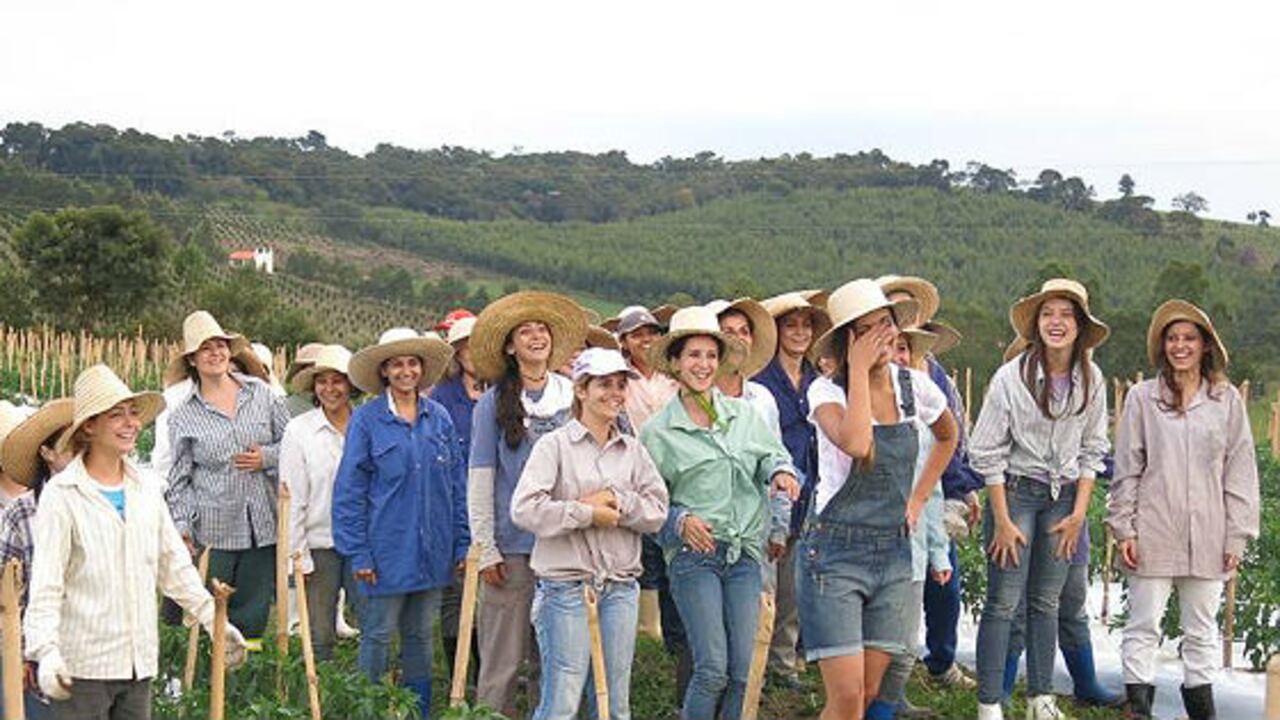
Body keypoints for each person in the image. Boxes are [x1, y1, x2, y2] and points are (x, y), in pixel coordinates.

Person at [24, 365, 246, 719]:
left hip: (138, 663)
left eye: (133, 413)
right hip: (83, 668)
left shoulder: (146, 489)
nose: (131, 423)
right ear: (89, 426)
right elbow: (47, 584)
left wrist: (212, 619)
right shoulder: (63, 496)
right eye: (117, 415)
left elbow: (173, 565)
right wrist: (46, 651)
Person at [798, 279, 957, 720]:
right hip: (833, 553)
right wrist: (861, 373)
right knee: (846, 696)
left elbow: (948, 436)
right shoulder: (826, 392)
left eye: (884, 324)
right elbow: (857, 444)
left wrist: (919, 498)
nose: (881, 337)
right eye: (865, 330)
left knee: (868, 692)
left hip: (892, 551)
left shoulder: (917, 388)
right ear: (849, 341)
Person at [640, 306, 801, 720]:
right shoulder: (658, 433)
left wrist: (781, 472)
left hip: (744, 555)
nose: (704, 364)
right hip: (695, 558)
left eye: (711, 356)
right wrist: (679, 520)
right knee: (711, 669)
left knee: (743, 672)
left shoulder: (742, 416)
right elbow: (647, 506)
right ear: (675, 363)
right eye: (693, 355)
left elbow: (772, 455)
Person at [1107, 300, 1258, 720]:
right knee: (1143, 625)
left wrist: (1236, 535)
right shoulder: (1142, 398)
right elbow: (1128, 468)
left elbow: (1240, 471)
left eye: (1189, 338)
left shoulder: (1225, 401)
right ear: (1162, 346)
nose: (1180, 346)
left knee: (1202, 631)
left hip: (1209, 532)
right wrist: (1125, 529)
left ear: (1205, 345)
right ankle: (1137, 709)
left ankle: (1202, 713)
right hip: (1153, 528)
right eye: (1172, 338)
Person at [969, 279, 1110, 720]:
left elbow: (1093, 450)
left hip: (1064, 498)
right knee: (1004, 601)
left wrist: (1078, 515)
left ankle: (1041, 698)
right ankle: (990, 703)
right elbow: (984, 449)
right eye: (1048, 314)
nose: (1056, 322)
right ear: (1036, 323)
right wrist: (1003, 518)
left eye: (1066, 315)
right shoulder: (1011, 377)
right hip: (1016, 492)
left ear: (1080, 326)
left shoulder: (1092, 379)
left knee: (1047, 601)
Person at [511, 347, 669, 720]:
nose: (615, 392)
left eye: (620, 385)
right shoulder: (554, 445)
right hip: (566, 587)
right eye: (604, 384)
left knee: (615, 701)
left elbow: (657, 511)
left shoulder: (633, 450)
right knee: (563, 698)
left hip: (619, 586)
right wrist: (585, 513)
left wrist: (617, 501)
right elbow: (524, 509)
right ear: (581, 390)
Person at [333, 328, 468, 718]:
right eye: (397, 364)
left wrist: (460, 543)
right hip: (385, 552)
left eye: (412, 363)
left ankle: (417, 711)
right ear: (385, 372)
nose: (406, 371)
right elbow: (349, 491)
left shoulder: (438, 418)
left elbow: (456, 486)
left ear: (422, 370)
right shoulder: (369, 421)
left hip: (432, 551)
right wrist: (358, 553)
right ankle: (368, 709)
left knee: (421, 637)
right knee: (376, 636)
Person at [467, 291, 589, 718]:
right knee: (502, 659)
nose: (536, 337)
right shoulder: (492, 404)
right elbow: (481, 478)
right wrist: (485, 547)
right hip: (514, 546)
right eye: (525, 331)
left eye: (542, 330)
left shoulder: (574, 396)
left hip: (565, 545)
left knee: (554, 659)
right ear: (509, 346)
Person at [876, 275, 982, 694]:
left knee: (943, 578)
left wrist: (964, 488)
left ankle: (940, 659)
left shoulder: (936, 377)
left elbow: (953, 440)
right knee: (894, 586)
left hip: (934, 491)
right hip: (885, 498)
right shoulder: (869, 376)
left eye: (911, 310)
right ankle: (888, 675)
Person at [164, 310, 291, 647]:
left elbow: (292, 446)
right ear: (192, 359)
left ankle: (245, 687)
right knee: (211, 613)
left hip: (263, 525)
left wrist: (266, 457)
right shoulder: (183, 416)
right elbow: (178, 480)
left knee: (253, 613)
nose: (215, 353)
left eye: (220, 345)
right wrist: (183, 527)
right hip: (214, 530)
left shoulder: (262, 395)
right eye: (205, 349)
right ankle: (211, 682)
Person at [865, 328, 954, 720]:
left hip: (912, 548)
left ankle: (884, 710)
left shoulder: (925, 423)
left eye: (903, 349)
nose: (897, 356)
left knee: (904, 648)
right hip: (865, 547)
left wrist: (939, 553)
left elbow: (931, 495)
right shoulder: (855, 406)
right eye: (889, 347)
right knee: (870, 649)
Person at [756, 290, 832, 687]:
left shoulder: (818, 381)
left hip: (811, 490)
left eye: (806, 325)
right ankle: (759, 664)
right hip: (775, 490)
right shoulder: (762, 381)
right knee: (769, 577)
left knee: (796, 582)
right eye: (791, 325)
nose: (800, 332)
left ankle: (785, 662)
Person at [280, 344, 364, 661]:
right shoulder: (300, 431)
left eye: (338, 381)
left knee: (374, 627)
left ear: (350, 385)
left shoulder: (366, 425)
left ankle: (370, 698)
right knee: (318, 634)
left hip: (361, 542)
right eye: (322, 381)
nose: (330, 389)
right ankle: (317, 699)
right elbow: (293, 495)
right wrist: (297, 554)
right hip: (318, 541)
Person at [0, 398, 74, 720]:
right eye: (71, 445)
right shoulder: (23, 513)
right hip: (34, 652)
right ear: (46, 453)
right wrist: (19, 652)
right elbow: (7, 597)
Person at [429, 314, 486, 680]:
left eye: (476, 345)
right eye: (463, 346)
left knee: (494, 590)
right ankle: (459, 671)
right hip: (453, 500)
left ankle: (492, 669)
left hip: (494, 502)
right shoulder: (443, 396)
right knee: (455, 590)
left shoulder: (502, 390)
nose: (470, 353)